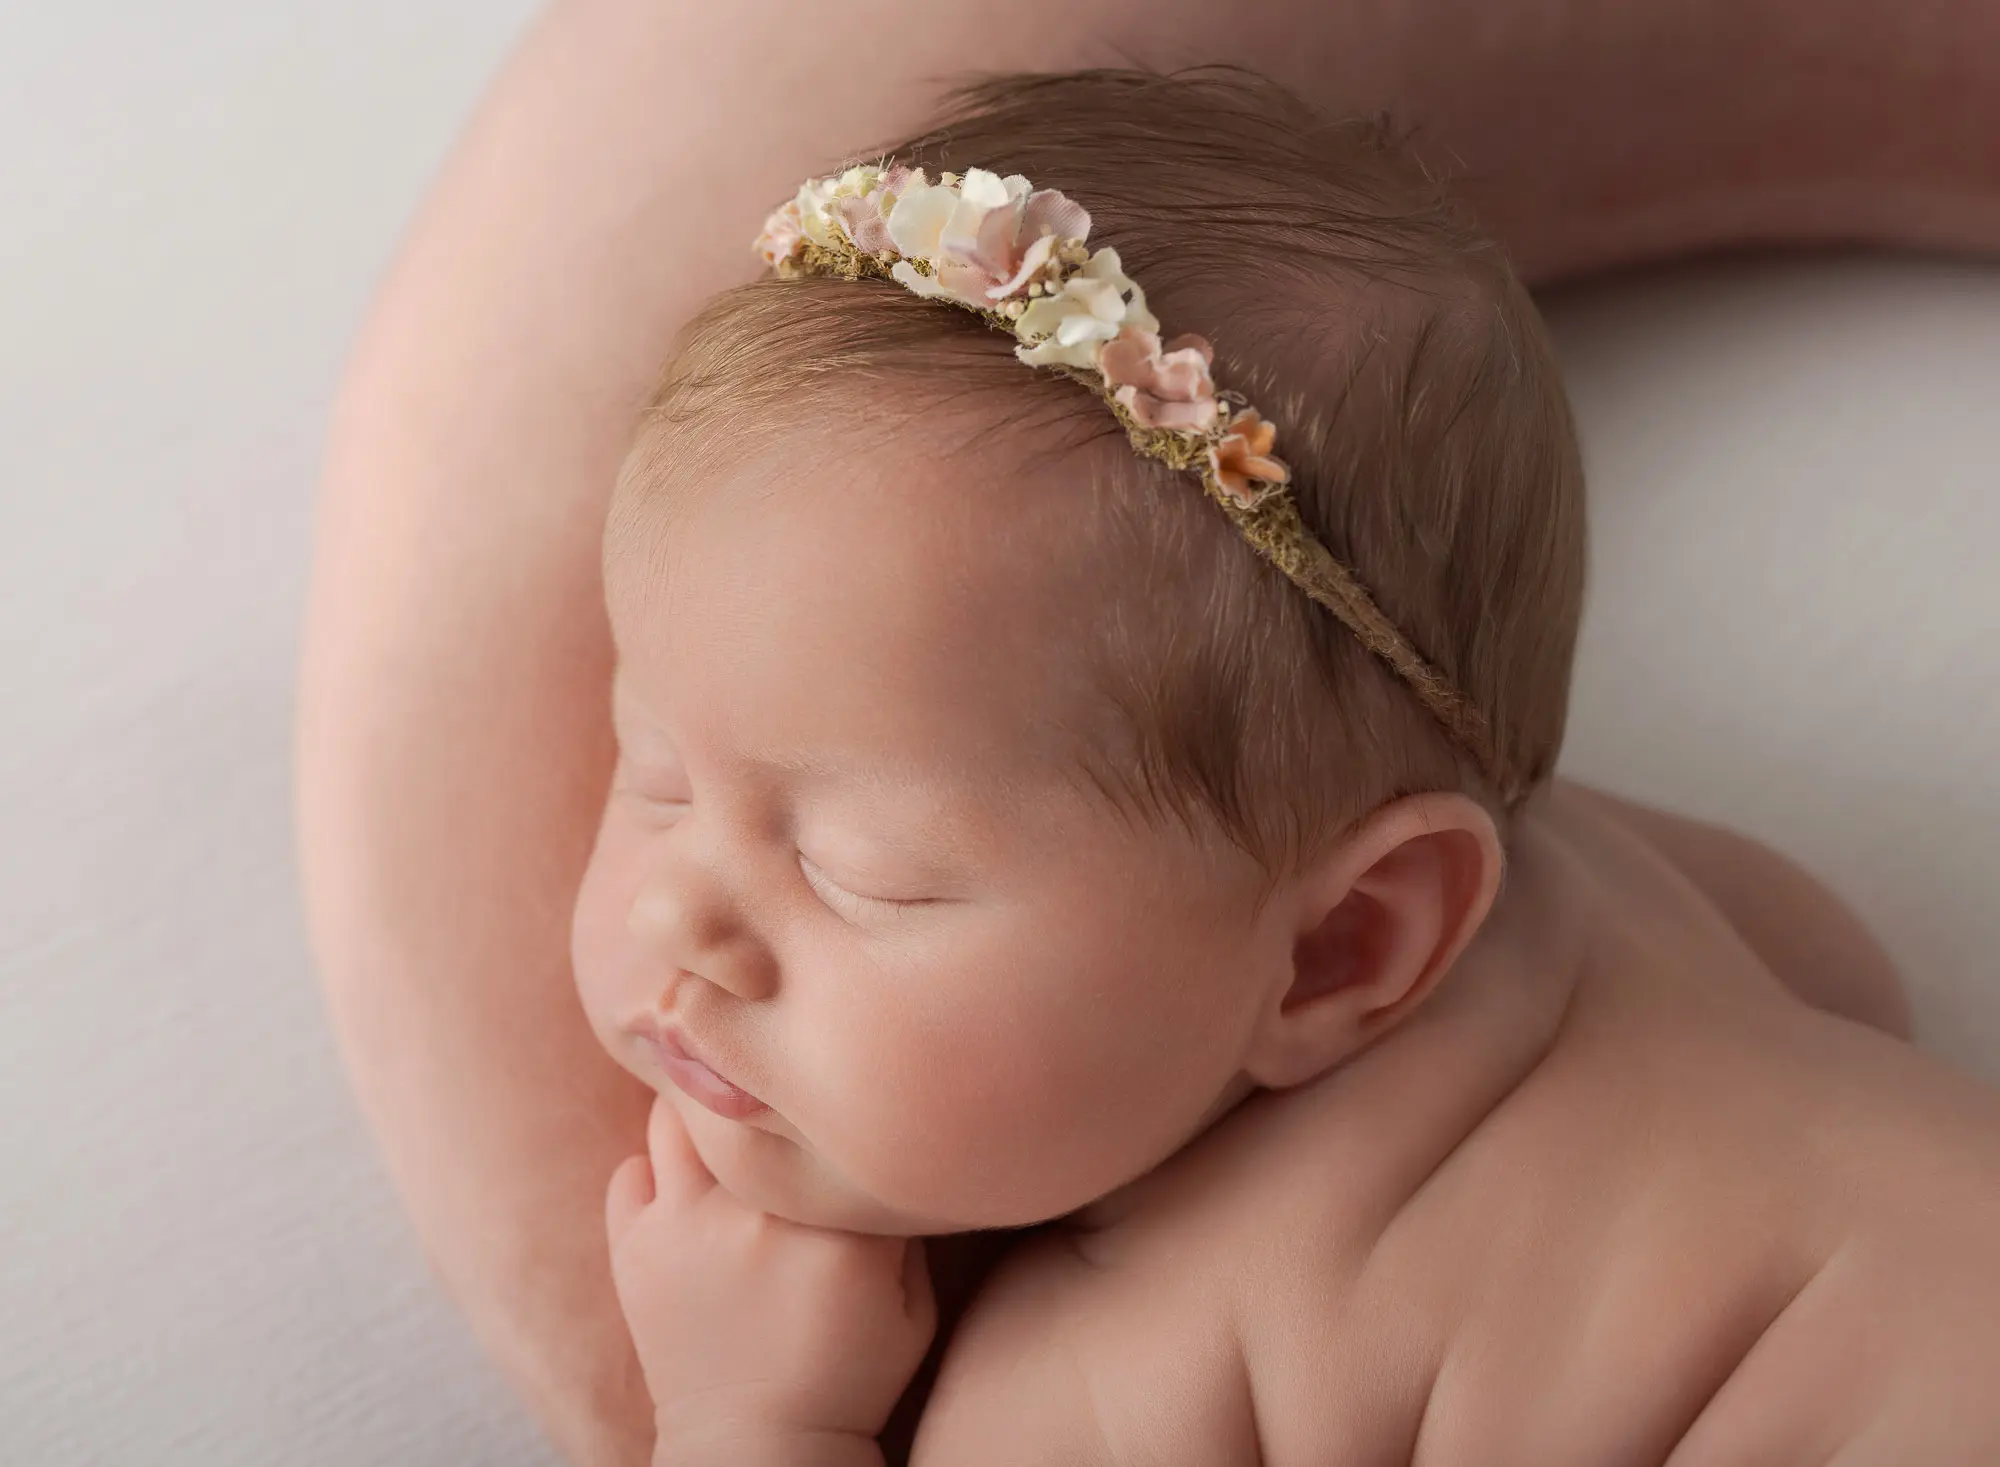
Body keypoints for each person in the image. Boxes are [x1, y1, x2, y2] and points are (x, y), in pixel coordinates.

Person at [296, 5, 2000, 1465]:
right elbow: (1839, 967)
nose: (682, 920)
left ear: (1348, 943)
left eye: (861, 868)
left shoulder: (1127, 1365)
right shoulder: (1606, 900)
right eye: (650, 770)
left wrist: (760, 1418)